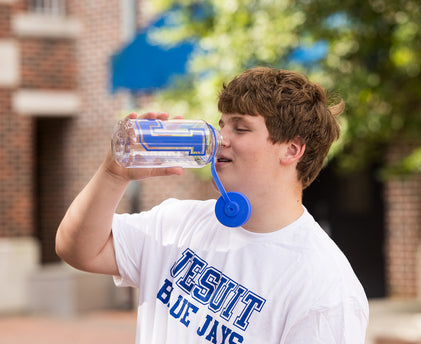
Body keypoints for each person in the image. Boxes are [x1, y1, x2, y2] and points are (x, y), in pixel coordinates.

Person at [56, 67, 369, 343]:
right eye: (222, 125)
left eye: (240, 128)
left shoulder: (326, 286)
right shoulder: (178, 221)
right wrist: (113, 174)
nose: (221, 138)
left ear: (291, 150)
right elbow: (77, 249)